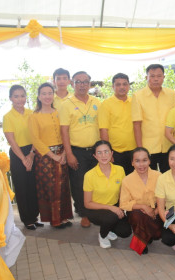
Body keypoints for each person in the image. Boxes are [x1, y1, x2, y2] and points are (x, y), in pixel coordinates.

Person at [59, 71, 101, 228]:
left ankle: (97, 210)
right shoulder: (66, 104)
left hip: (96, 151)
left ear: (90, 84)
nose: (82, 84)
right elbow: (64, 131)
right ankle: (84, 214)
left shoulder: (97, 102)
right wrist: (69, 154)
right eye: (78, 82)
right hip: (77, 151)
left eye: (85, 81)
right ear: (72, 84)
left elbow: (103, 126)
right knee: (79, 183)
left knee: (96, 182)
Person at [29, 83, 73, 228]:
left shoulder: (58, 112)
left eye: (50, 93)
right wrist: (53, 156)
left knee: (63, 186)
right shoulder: (34, 116)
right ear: (39, 96)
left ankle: (64, 217)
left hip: (62, 153)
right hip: (45, 157)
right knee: (50, 188)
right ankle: (55, 220)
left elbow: (66, 132)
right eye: (44, 93)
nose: (47, 96)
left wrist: (65, 152)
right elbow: (35, 139)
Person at [3, 85, 41, 230]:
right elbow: (11, 141)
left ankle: (34, 216)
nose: (20, 99)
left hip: (32, 150)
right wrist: (24, 159)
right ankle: (26, 219)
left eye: (22, 96)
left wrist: (31, 154)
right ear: (10, 98)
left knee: (33, 186)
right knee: (22, 187)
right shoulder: (8, 117)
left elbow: (37, 136)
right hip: (17, 153)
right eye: (16, 96)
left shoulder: (32, 113)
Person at [83, 140, 131, 249]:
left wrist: (122, 208)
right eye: (99, 153)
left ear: (111, 153)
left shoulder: (120, 170)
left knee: (125, 232)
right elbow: (87, 203)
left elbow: (122, 193)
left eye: (106, 151)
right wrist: (111, 208)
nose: (103, 155)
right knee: (111, 216)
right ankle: (103, 235)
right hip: (95, 209)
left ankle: (108, 228)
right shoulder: (89, 175)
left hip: (113, 207)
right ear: (95, 156)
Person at [132, 64, 175, 173]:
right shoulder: (138, 96)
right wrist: (140, 149)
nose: (156, 79)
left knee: (168, 177)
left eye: (159, 76)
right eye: (152, 76)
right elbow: (137, 124)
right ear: (146, 77)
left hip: (168, 145)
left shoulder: (171, 94)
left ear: (163, 77)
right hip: (148, 147)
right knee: (149, 179)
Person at [120, 147, 162, 254]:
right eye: (137, 161)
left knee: (158, 235)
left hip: (157, 208)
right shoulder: (127, 180)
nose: (141, 164)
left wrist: (155, 211)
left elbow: (165, 198)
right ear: (132, 163)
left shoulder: (159, 176)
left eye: (144, 160)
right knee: (137, 215)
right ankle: (141, 242)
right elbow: (124, 204)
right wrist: (143, 207)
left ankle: (145, 235)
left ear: (149, 161)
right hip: (137, 211)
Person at [98, 73, 136, 175]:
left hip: (133, 151)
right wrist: (107, 153)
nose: (122, 87)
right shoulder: (106, 104)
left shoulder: (134, 102)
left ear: (128, 86)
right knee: (118, 183)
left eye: (125, 84)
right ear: (113, 87)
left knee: (132, 181)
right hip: (115, 152)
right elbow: (103, 129)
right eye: (118, 84)